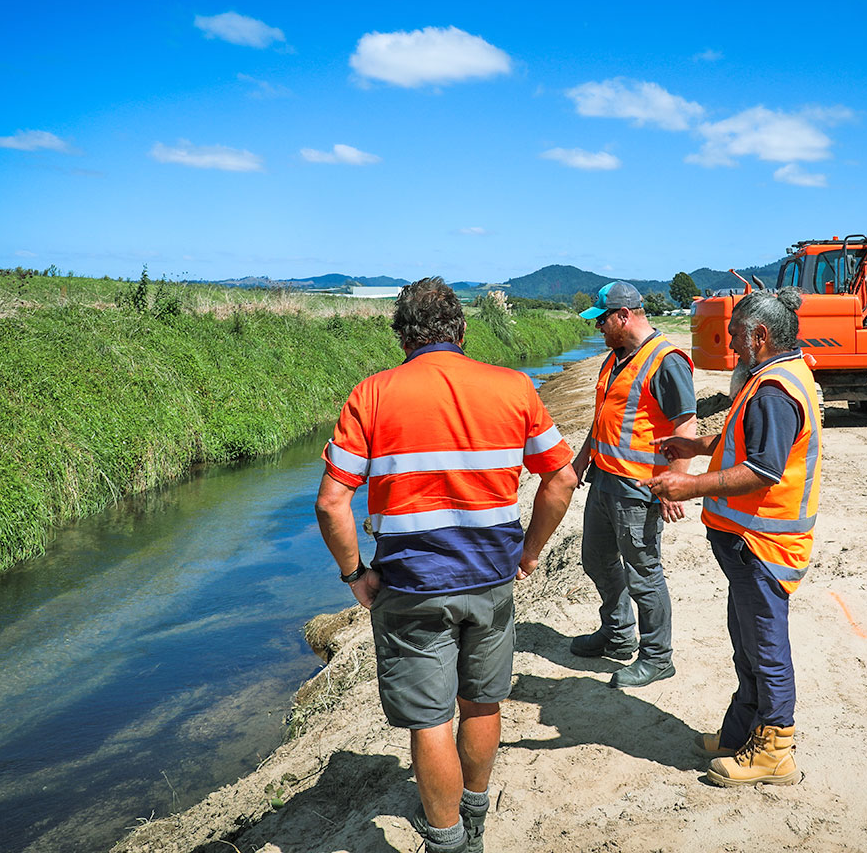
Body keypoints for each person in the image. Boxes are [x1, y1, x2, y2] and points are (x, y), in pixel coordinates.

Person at [315, 277, 578, 853]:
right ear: (460, 330)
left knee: (430, 719)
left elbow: (333, 501)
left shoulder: (372, 394)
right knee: (481, 701)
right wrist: (528, 551)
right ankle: (476, 813)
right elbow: (560, 476)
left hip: (411, 586)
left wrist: (356, 575)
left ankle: (447, 839)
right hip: (491, 578)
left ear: (402, 337)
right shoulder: (514, 387)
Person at [644, 287, 820, 787]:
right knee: (746, 645)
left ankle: (776, 750)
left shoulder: (774, 390)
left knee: (765, 648)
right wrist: (697, 445)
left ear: (761, 335)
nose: (732, 344)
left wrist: (690, 484)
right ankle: (742, 730)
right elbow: (746, 439)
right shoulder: (769, 378)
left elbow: (763, 468)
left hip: (764, 545)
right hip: (748, 545)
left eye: (737, 335)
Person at [568, 281, 697, 689]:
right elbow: (604, 418)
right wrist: (580, 462)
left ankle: (657, 656)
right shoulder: (615, 357)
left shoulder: (665, 360)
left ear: (624, 315)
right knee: (596, 559)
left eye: (604, 320)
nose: (599, 328)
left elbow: (686, 425)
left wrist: (679, 479)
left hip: (639, 489)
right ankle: (619, 633)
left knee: (644, 573)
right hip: (604, 480)